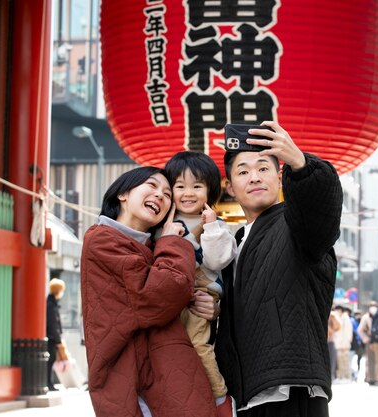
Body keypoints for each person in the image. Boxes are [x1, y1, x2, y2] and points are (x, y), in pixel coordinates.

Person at [215, 121, 343, 417]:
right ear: (230, 187)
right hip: (248, 394)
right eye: (243, 171)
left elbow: (321, 210)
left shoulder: (297, 224)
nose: (254, 177)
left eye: (263, 168)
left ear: (280, 176)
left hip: (292, 389)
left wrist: (302, 164)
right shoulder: (233, 244)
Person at [80, 166, 218, 417]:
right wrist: (173, 241)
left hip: (159, 371)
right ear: (123, 194)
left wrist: (208, 306)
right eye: (152, 186)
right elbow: (157, 295)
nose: (160, 196)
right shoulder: (103, 240)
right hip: (135, 379)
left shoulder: (148, 246)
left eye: (167, 194)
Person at [164, 151, 238, 416]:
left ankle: (219, 397)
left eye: (197, 186)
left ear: (210, 190)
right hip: (171, 293)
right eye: (180, 186)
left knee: (197, 345)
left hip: (202, 293)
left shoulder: (217, 226)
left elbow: (217, 261)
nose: (188, 193)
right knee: (167, 350)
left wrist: (211, 229)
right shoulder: (163, 223)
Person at [46, 278, 66, 391]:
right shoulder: (51, 305)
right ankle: (49, 383)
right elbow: (53, 324)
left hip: (51, 337)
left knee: (51, 361)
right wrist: (58, 340)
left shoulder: (51, 303)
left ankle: (49, 383)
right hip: (52, 338)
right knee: (50, 360)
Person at [358, 301, 378, 385]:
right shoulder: (366, 317)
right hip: (370, 341)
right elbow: (360, 330)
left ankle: (376, 377)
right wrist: (366, 339)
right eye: (372, 306)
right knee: (370, 360)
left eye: (375, 306)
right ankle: (370, 377)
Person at [332, 305, 353, 382]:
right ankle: (340, 377)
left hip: (344, 344)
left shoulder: (345, 318)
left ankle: (346, 377)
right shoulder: (339, 318)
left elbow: (348, 332)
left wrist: (346, 343)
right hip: (339, 344)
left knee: (344, 361)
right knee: (339, 361)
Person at [327, 309, 341, 380]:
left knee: (332, 361)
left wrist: (333, 317)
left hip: (330, 342)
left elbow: (338, 327)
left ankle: (331, 376)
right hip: (323, 342)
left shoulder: (333, 316)